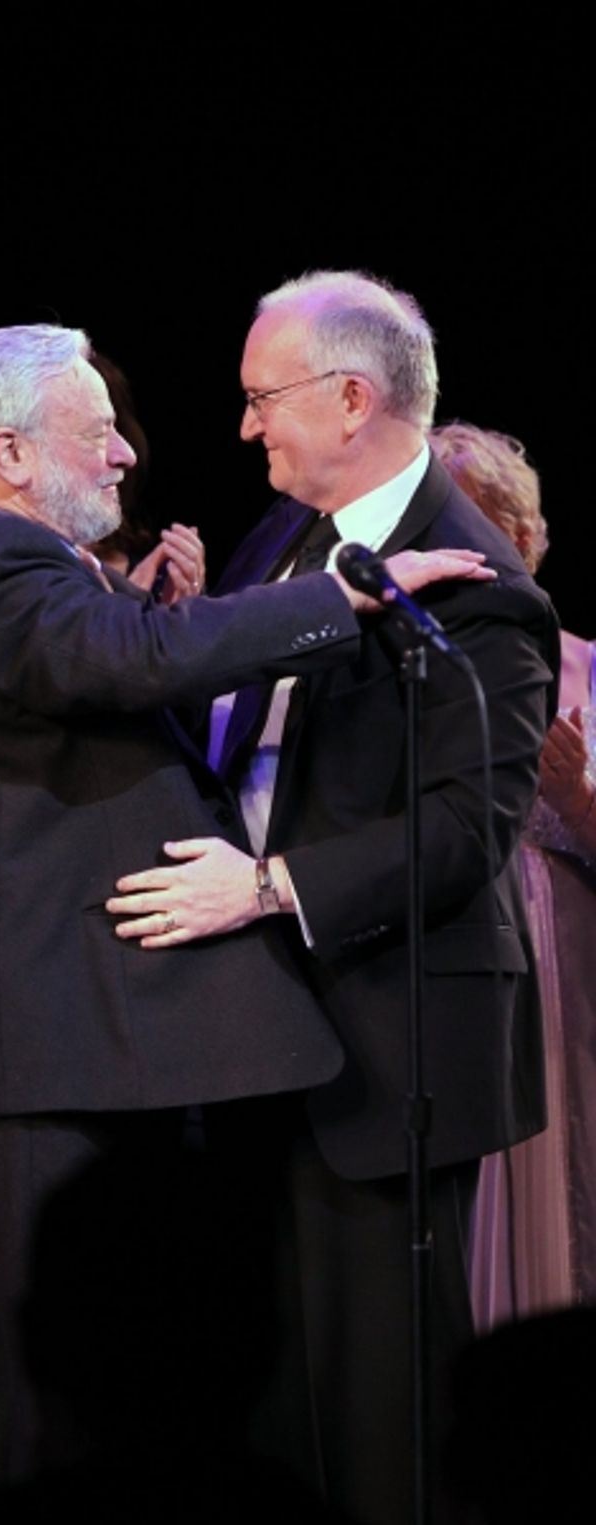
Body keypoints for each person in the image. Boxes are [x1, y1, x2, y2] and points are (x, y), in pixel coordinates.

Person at [0, 321, 493, 1505]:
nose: (126, 454)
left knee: (52, 1382)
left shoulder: (19, 564)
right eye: (97, 429)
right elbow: (128, 658)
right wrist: (342, 600)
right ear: (11, 454)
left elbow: (113, 656)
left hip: (68, 1042)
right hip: (37, 1042)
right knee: (33, 1390)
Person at [108, 272, 558, 1525]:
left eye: (263, 400)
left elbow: (467, 830)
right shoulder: (281, 541)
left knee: (379, 1413)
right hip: (260, 1029)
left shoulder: (484, 589)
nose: (245, 426)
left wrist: (267, 887)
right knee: (270, 1406)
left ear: (351, 398)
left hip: (386, 1041)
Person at [430, 420, 596, 1322]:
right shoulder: (418, 671)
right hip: (460, 968)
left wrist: (576, 798)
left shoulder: (590, 669)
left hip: (573, 983)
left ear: (523, 539)